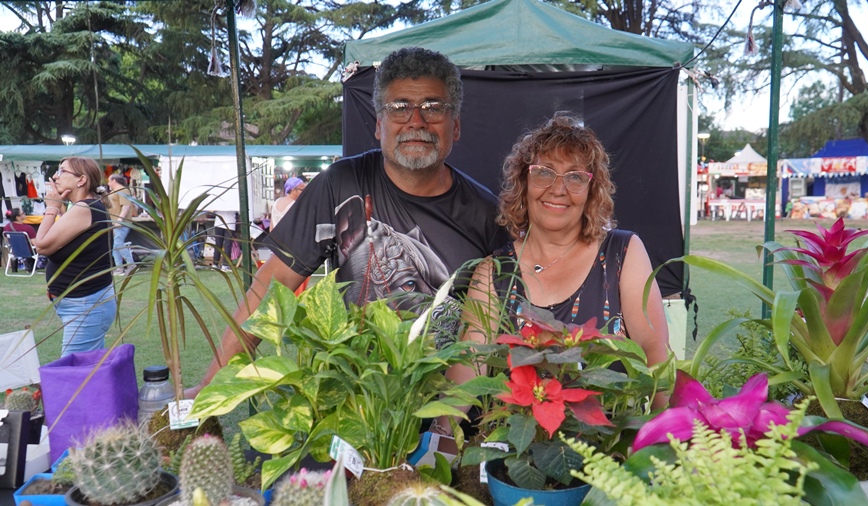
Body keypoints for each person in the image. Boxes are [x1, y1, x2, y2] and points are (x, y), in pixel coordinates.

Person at [186, 47, 507, 397]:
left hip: (450, 410)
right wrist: (207, 388)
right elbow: (270, 288)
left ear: (455, 126)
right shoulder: (341, 184)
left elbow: (495, 332)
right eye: (399, 107)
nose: (416, 121)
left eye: (433, 107)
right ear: (379, 125)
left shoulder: (488, 215)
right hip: (357, 409)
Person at [438, 113, 671, 431]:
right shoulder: (494, 273)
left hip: (608, 450)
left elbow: (656, 355)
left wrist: (671, 438)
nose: (558, 189)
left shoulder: (623, 254)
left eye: (575, 177)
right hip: (512, 451)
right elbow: (467, 375)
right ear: (523, 183)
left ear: (592, 189)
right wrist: (438, 440)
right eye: (544, 172)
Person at [33, 157, 117, 357]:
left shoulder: (85, 208)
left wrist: (52, 207)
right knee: (88, 369)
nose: (56, 176)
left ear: (81, 180)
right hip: (82, 304)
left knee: (73, 372)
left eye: (62, 171)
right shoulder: (84, 207)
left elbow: (41, 245)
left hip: (85, 306)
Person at [106, 174, 135, 275]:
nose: (108, 183)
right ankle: (119, 268)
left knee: (118, 243)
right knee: (115, 245)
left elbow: (126, 205)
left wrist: (120, 219)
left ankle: (131, 265)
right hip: (114, 222)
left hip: (121, 222)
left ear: (114, 180)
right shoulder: (113, 191)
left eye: (109, 181)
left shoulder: (123, 190)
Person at [4, 207, 38, 272]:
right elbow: (35, 243)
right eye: (23, 213)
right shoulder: (28, 228)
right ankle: (30, 267)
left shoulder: (7, 227)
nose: (25, 214)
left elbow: (7, 240)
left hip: (14, 250)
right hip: (28, 251)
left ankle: (14, 268)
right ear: (17, 217)